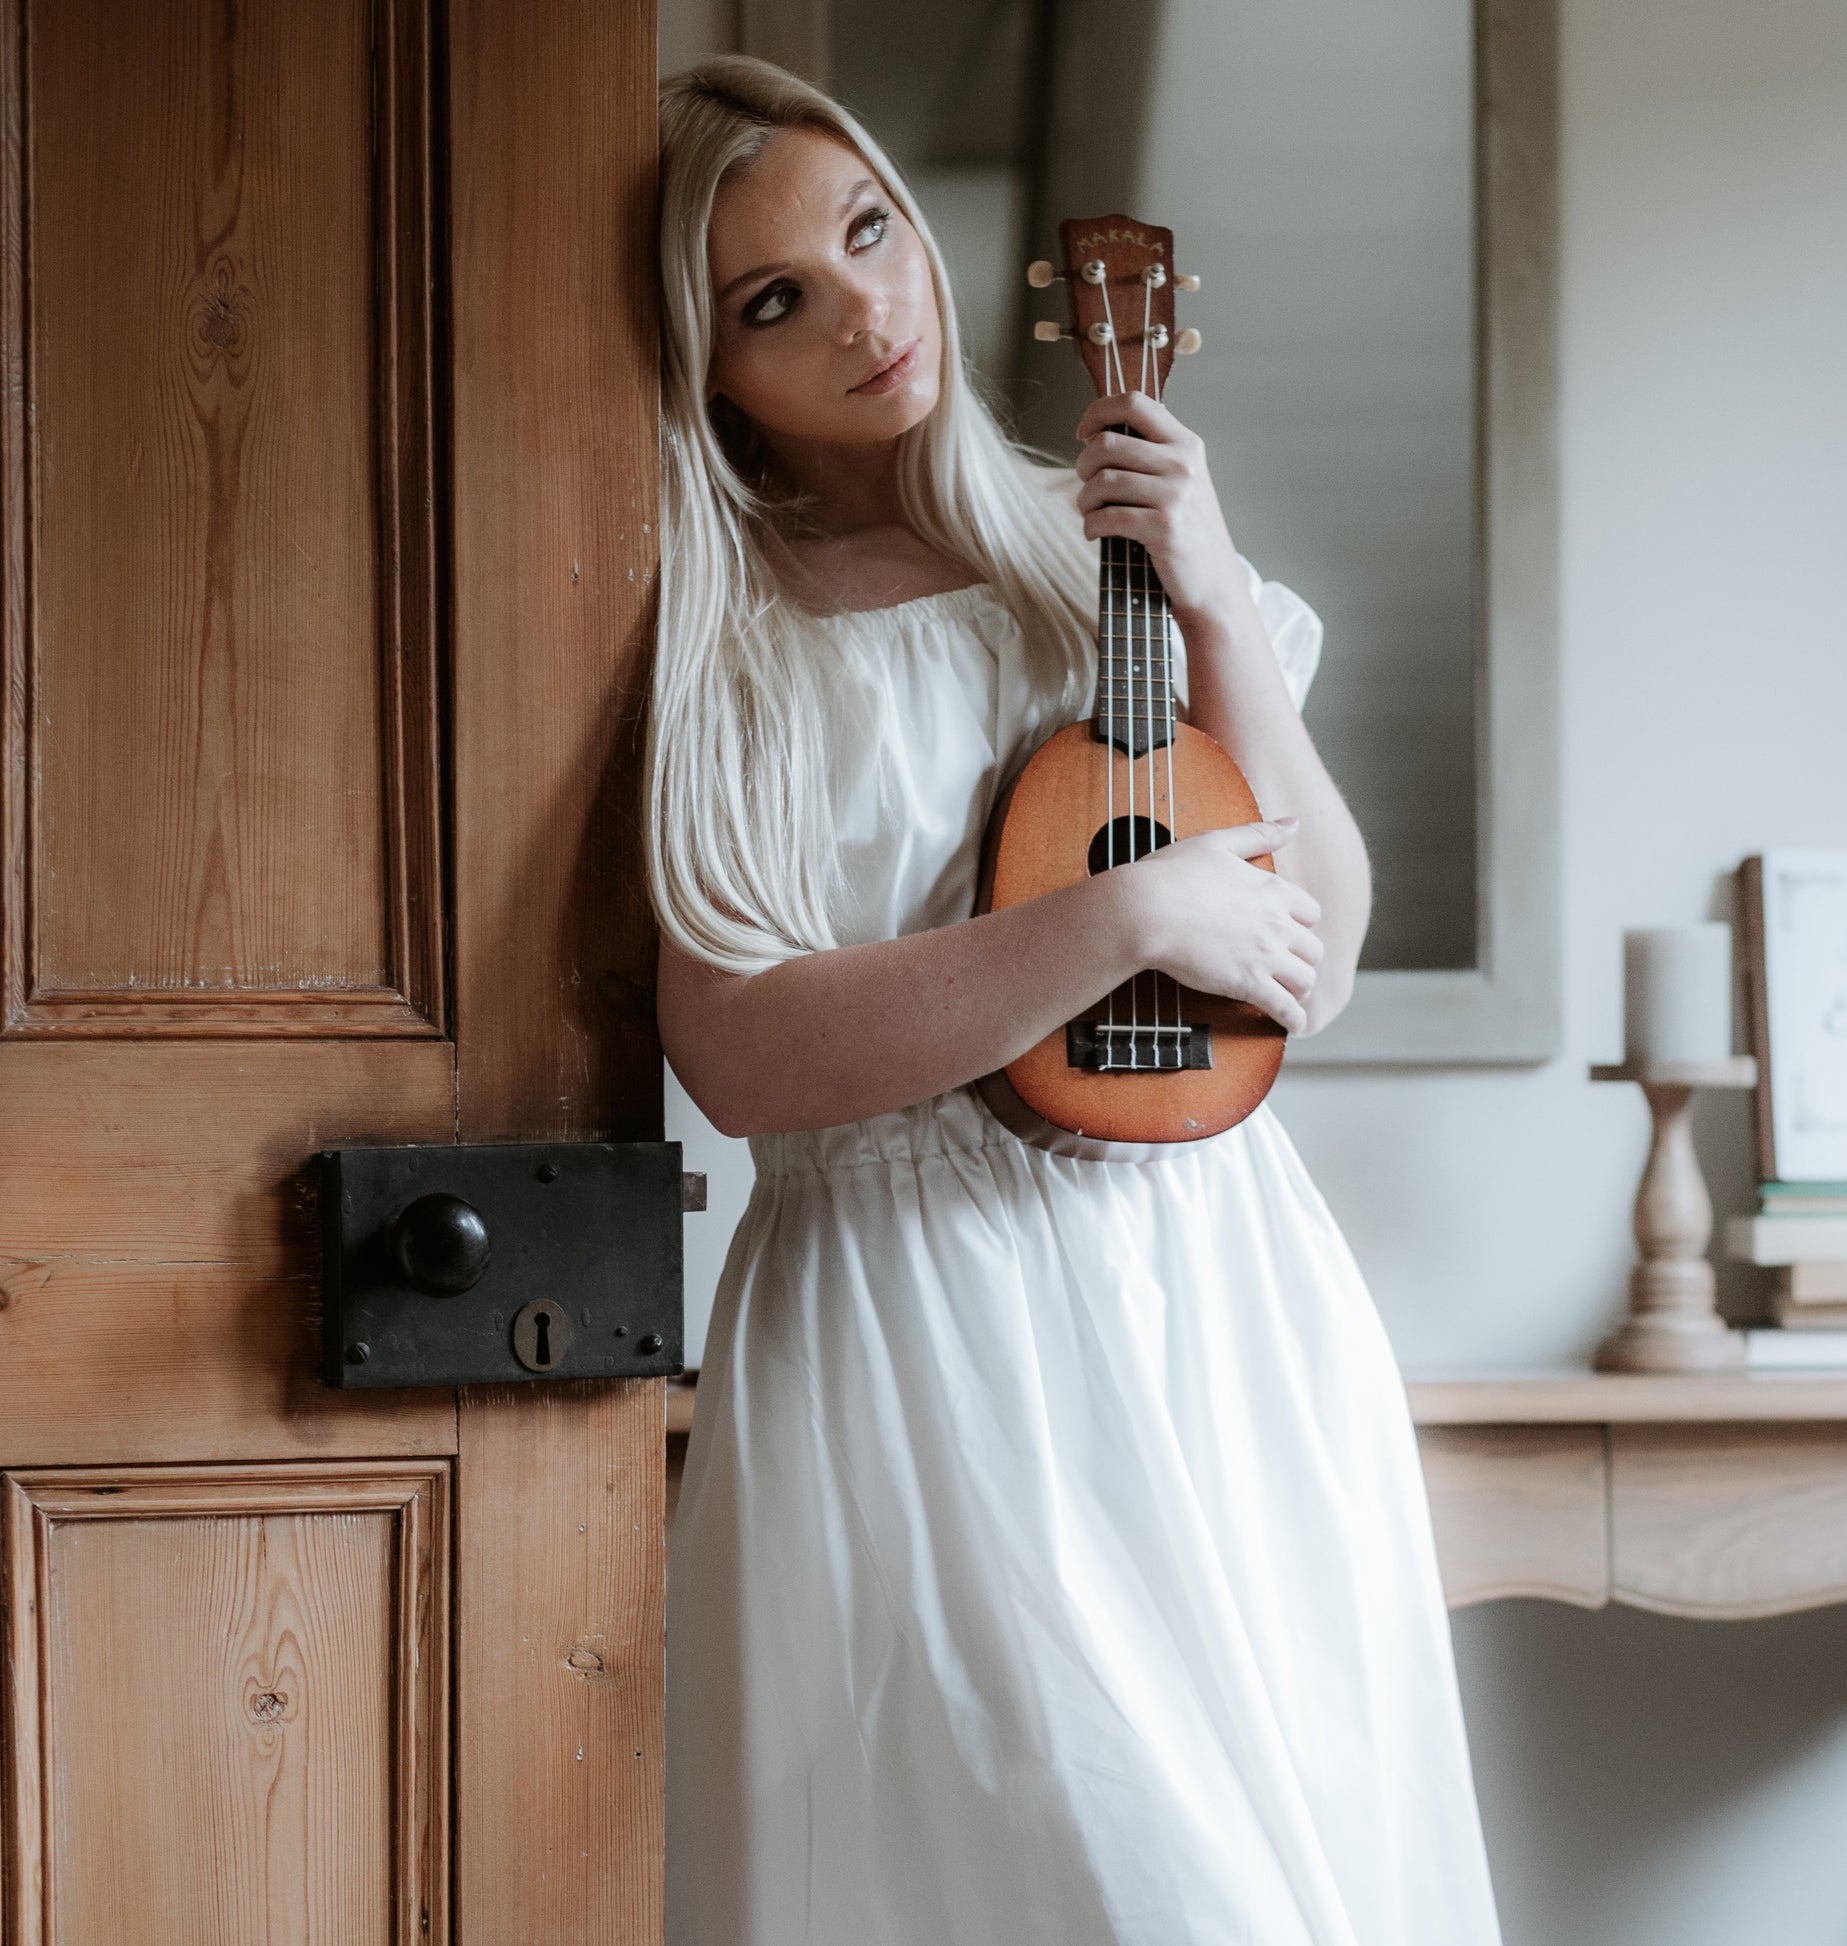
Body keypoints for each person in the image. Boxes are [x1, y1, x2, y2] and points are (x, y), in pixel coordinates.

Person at [648, 53, 1504, 1946]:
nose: (868, 310)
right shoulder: (726, 633)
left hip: (1222, 1299)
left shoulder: (1097, 553)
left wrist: (1205, 594)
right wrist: (1120, 917)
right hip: (925, 1327)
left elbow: (1323, 947)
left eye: (869, 230)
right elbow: (738, 1047)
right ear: (709, 367)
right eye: (772, 299)